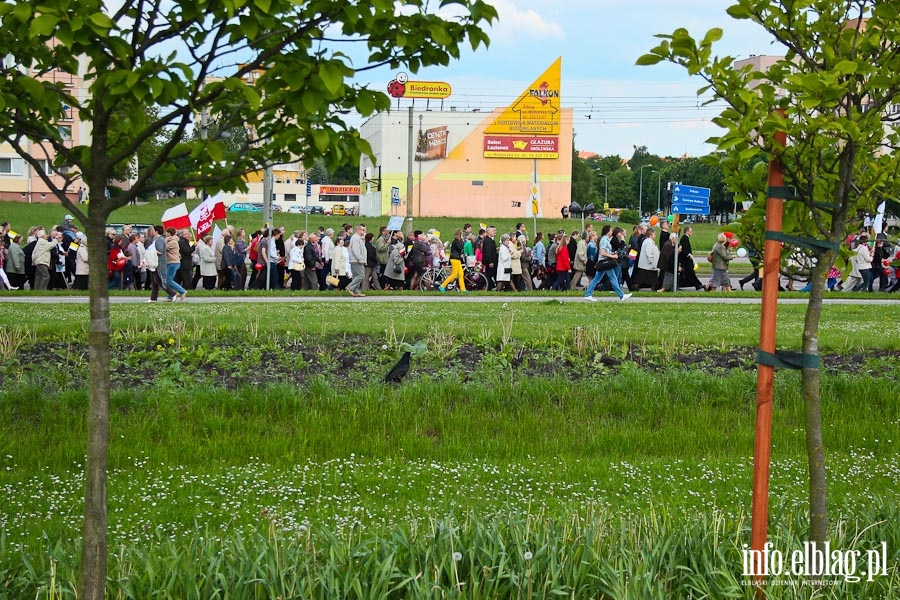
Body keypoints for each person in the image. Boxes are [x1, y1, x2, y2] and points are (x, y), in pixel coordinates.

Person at [584, 225, 631, 301]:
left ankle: (621, 295)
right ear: (607, 231)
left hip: (605, 263)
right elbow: (602, 252)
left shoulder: (606, 239)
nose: (612, 232)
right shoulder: (604, 240)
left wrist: (613, 253)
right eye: (611, 230)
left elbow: (605, 251)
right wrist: (613, 256)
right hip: (605, 262)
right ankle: (621, 295)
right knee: (609, 278)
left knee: (608, 278)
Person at [164, 227, 188, 301]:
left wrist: (165, 241)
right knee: (168, 279)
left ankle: (182, 291)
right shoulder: (171, 240)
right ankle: (171, 296)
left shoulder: (173, 242)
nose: (165, 234)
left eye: (166, 232)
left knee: (169, 280)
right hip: (171, 262)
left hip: (173, 262)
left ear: (169, 233)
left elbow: (163, 248)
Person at [346, 224, 367, 297]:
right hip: (356, 260)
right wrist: (360, 259)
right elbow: (356, 250)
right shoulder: (355, 238)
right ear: (358, 230)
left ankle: (357, 291)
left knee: (356, 276)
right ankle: (350, 287)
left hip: (355, 260)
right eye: (362, 230)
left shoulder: (358, 238)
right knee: (361, 275)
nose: (364, 231)